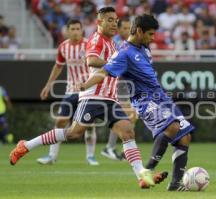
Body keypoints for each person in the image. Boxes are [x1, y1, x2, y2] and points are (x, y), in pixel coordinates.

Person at [10, 7, 166, 189]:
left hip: (110, 98)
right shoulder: (96, 39)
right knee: (74, 133)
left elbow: (117, 68)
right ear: (99, 22)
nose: (114, 23)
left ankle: (142, 176)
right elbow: (90, 60)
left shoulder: (114, 44)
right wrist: (117, 63)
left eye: (116, 20)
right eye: (109, 20)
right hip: (93, 96)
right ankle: (26, 145)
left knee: (128, 132)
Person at [79, 14, 194, 191]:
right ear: (139, 31)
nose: (153, 38)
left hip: (161, 97)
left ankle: (175, 185)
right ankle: (146, 173)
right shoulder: (124, 53)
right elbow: (104, 71)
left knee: (185, 137)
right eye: (150, 34)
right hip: (145, 100)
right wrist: (86, 84)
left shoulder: (145, 49)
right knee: (173, 127)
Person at [36, 19, 99, 166]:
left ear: (82, 30)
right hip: (70, 90)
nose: (76, 31)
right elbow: (58, 67)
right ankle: (52, 156)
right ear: (68, 31)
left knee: (89, 124)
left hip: (88, 91)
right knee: (60, 121)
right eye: (73, 29)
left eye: (78, 28)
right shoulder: (63, 47)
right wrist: (48, 86)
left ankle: (90, 156)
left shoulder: (89, 45)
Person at [101, 17, 132, 161]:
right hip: (117, 83)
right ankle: (110, 147)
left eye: (129, 28)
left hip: (127, 83)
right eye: (125, 28)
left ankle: (120, 149)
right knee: (124, 115)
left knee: (131, 117)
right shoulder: (116, 43)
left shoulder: (129, 43)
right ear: (119, 29)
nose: (127, 30)